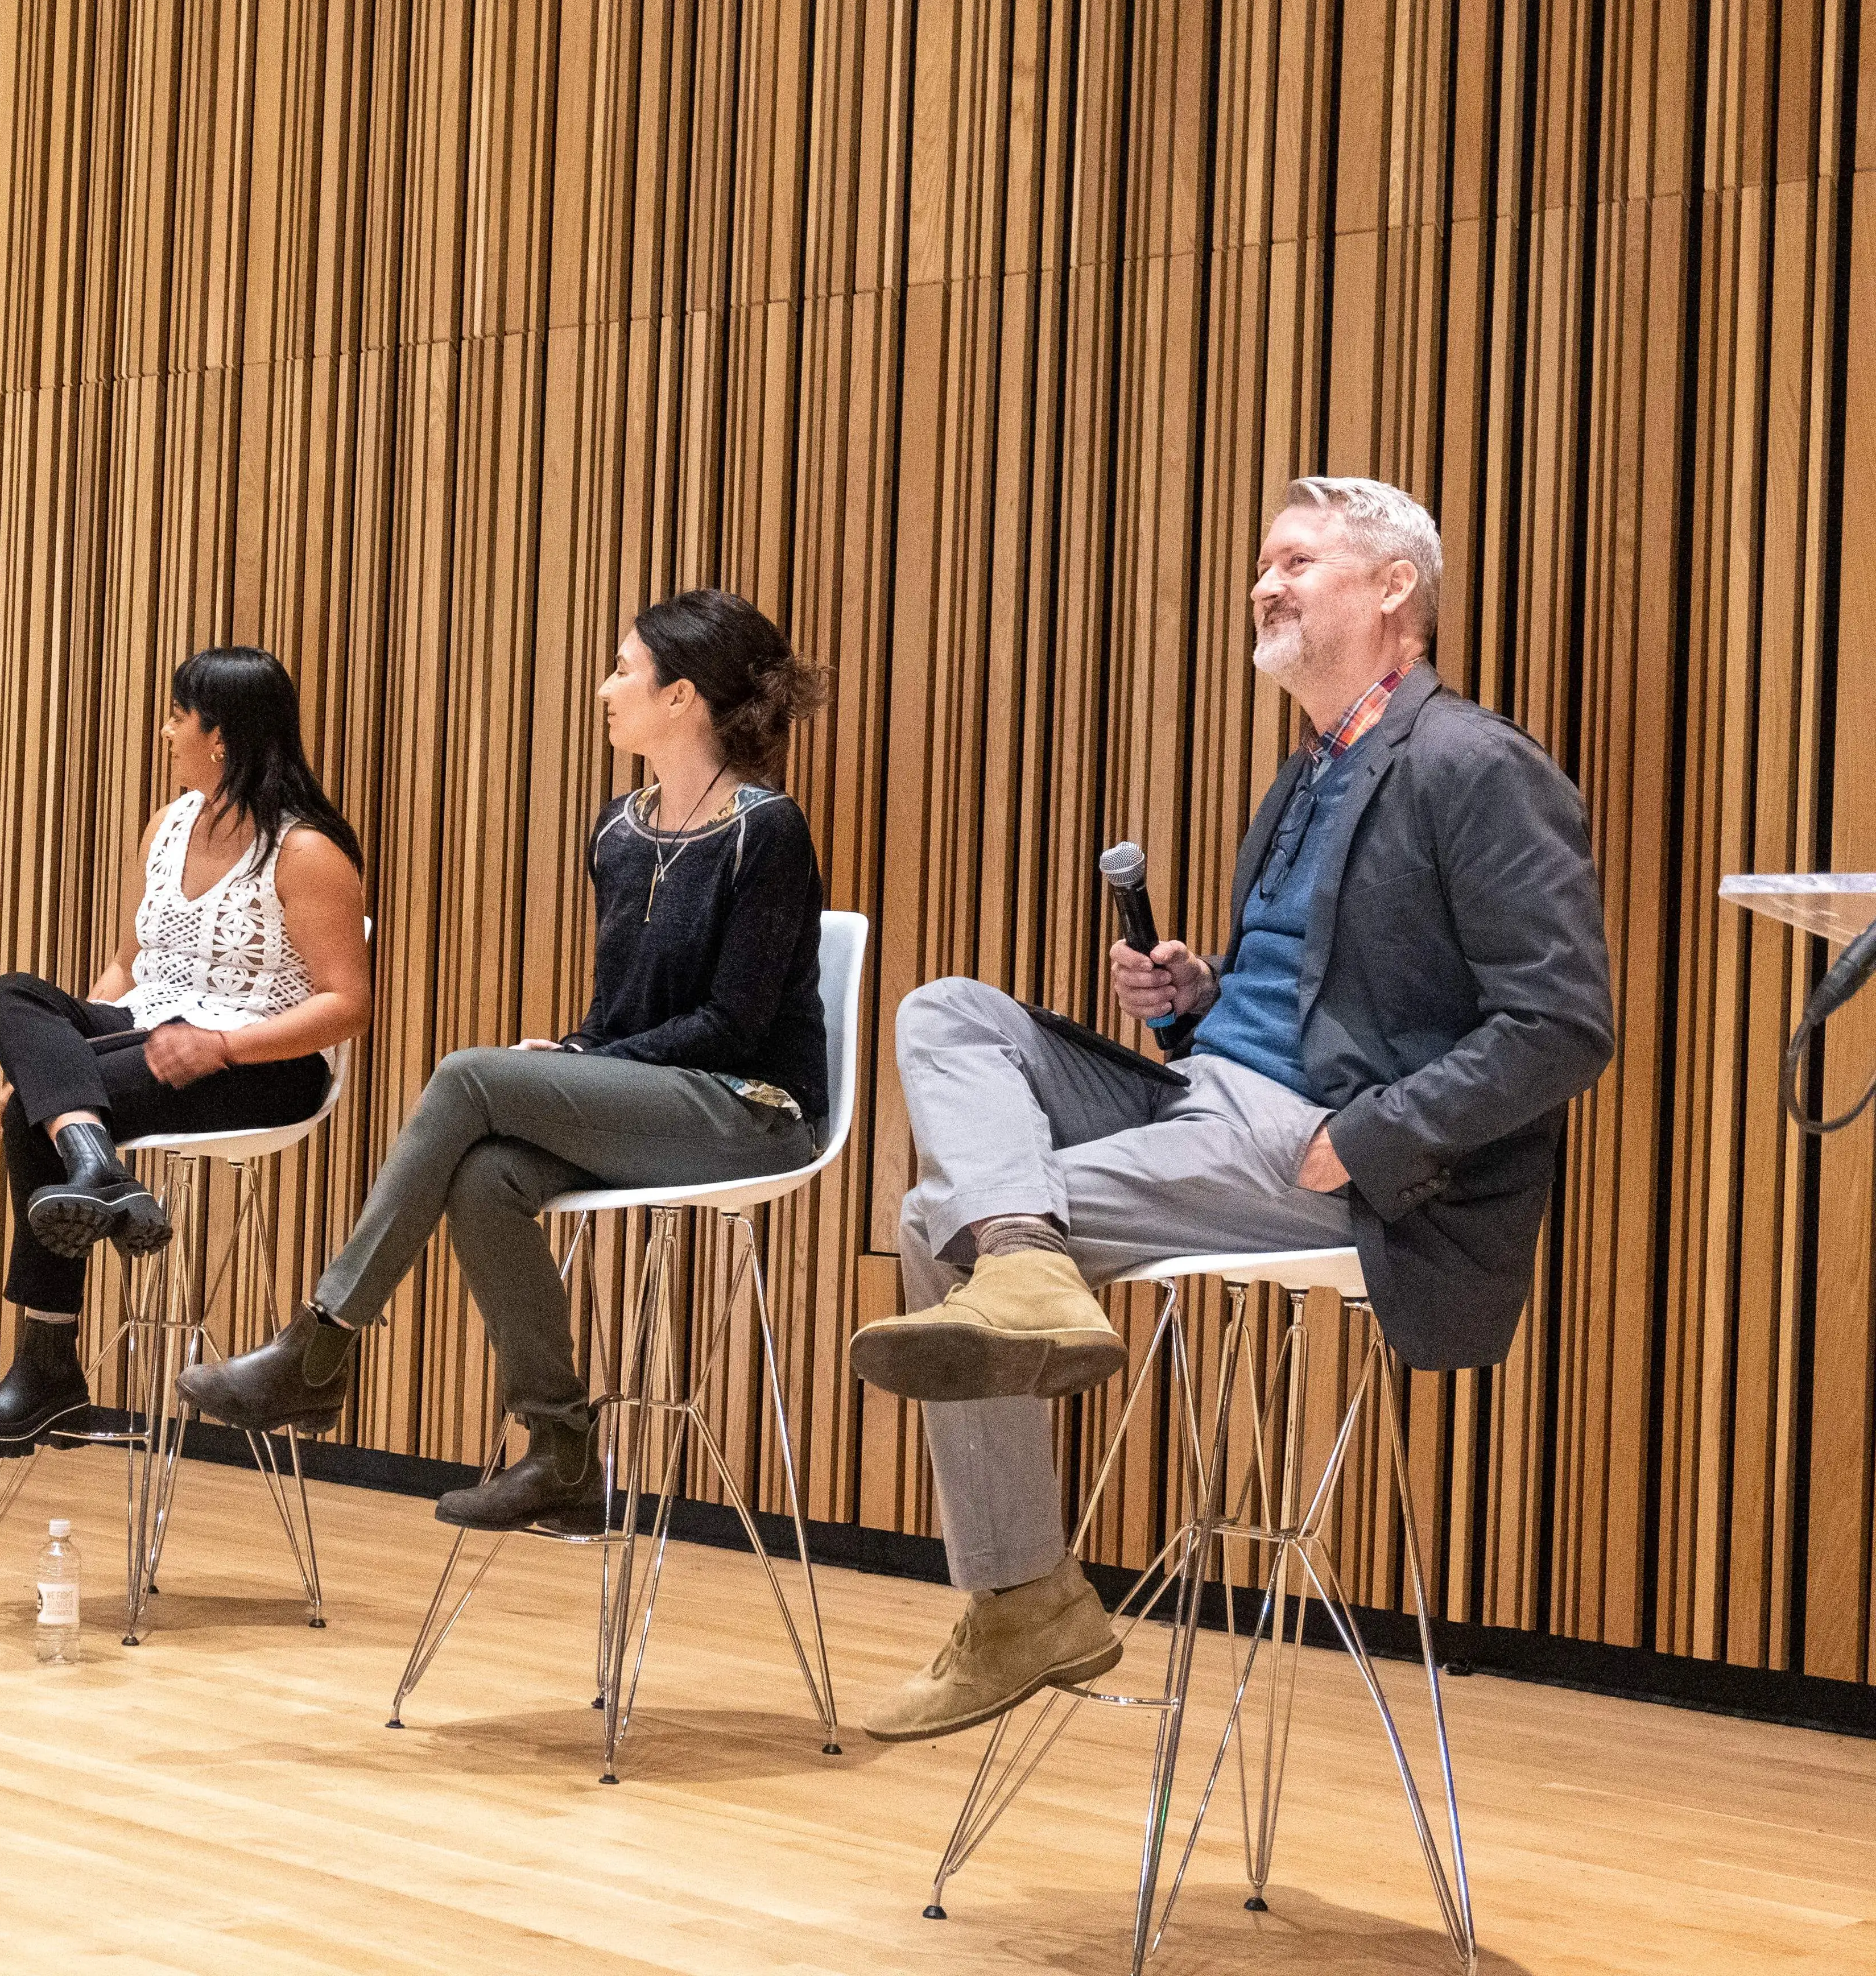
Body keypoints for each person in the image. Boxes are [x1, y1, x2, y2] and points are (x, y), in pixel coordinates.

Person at [843, 476, 1617, 1742]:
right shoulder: (1306, 774)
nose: (1266, 581)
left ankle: (1019, 1597)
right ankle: (1029, 1272)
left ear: (1393, 588)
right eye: (1264, 561)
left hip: (1326, 1144)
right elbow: (1312, 991)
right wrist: (1192, 995)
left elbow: (1562, 1024)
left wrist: (1361, 1141)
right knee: (947, 1011)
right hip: (1203, 1091)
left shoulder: (1474, 763)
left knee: (946, 1215)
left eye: (1298, 559)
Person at [177, 592, 829, 1534]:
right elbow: (620, 1013)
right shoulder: (619, 826)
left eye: (623, 669)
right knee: (484, 1177)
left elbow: (731, 1025)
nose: (606, 688)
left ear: (682, 696)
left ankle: (318, 1343)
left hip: (754, 1109)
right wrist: (578, 1054)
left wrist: (570, 1060)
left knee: (470, 1074)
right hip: (660, 1098)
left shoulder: (765, 829)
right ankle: (563, 1452)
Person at [0, 647, 373, 1455]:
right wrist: (59, 1059)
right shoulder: (173, 821)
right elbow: (131, 963)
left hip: (259, 1063)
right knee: (11, 992)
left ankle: (47, 1370)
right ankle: (93, 1160)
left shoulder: (308, 850)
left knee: (35, 1109)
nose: (165, 729)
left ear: (222, 737)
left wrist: (221, 1046)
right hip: (151, 1029)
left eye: (179, 715)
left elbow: (347, 1007)